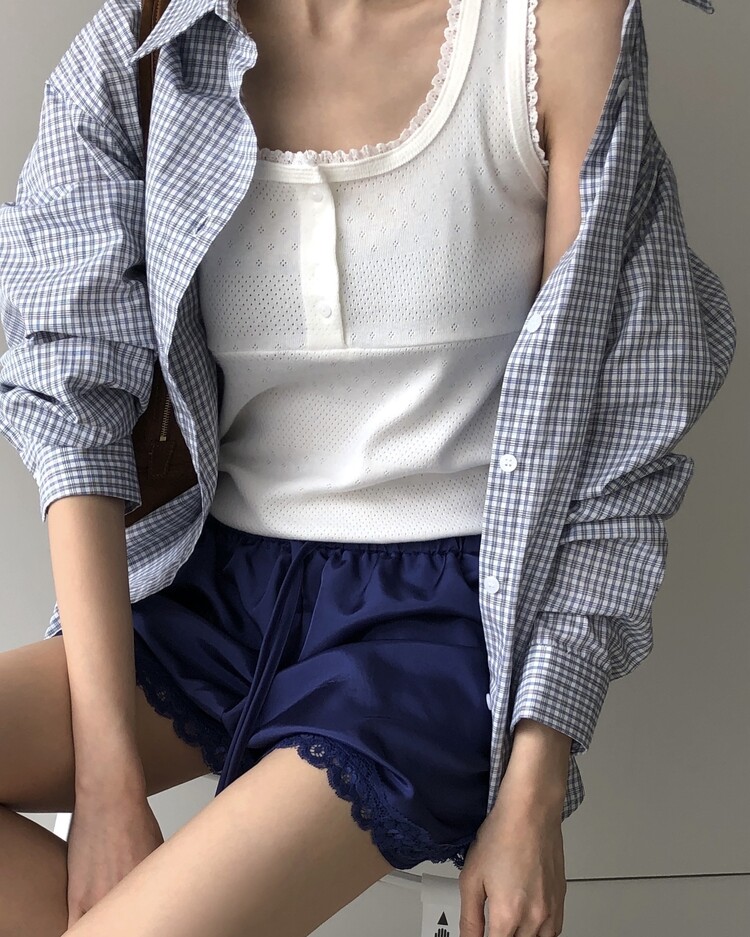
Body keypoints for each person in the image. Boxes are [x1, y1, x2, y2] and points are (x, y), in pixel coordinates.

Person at [0, 0, 733, 936]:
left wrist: (533, 790)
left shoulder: (551, 28)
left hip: (434, 628)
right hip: (212, 587)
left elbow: (614, 434)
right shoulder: (151, 37)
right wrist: (108, 780)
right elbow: (73, 403)